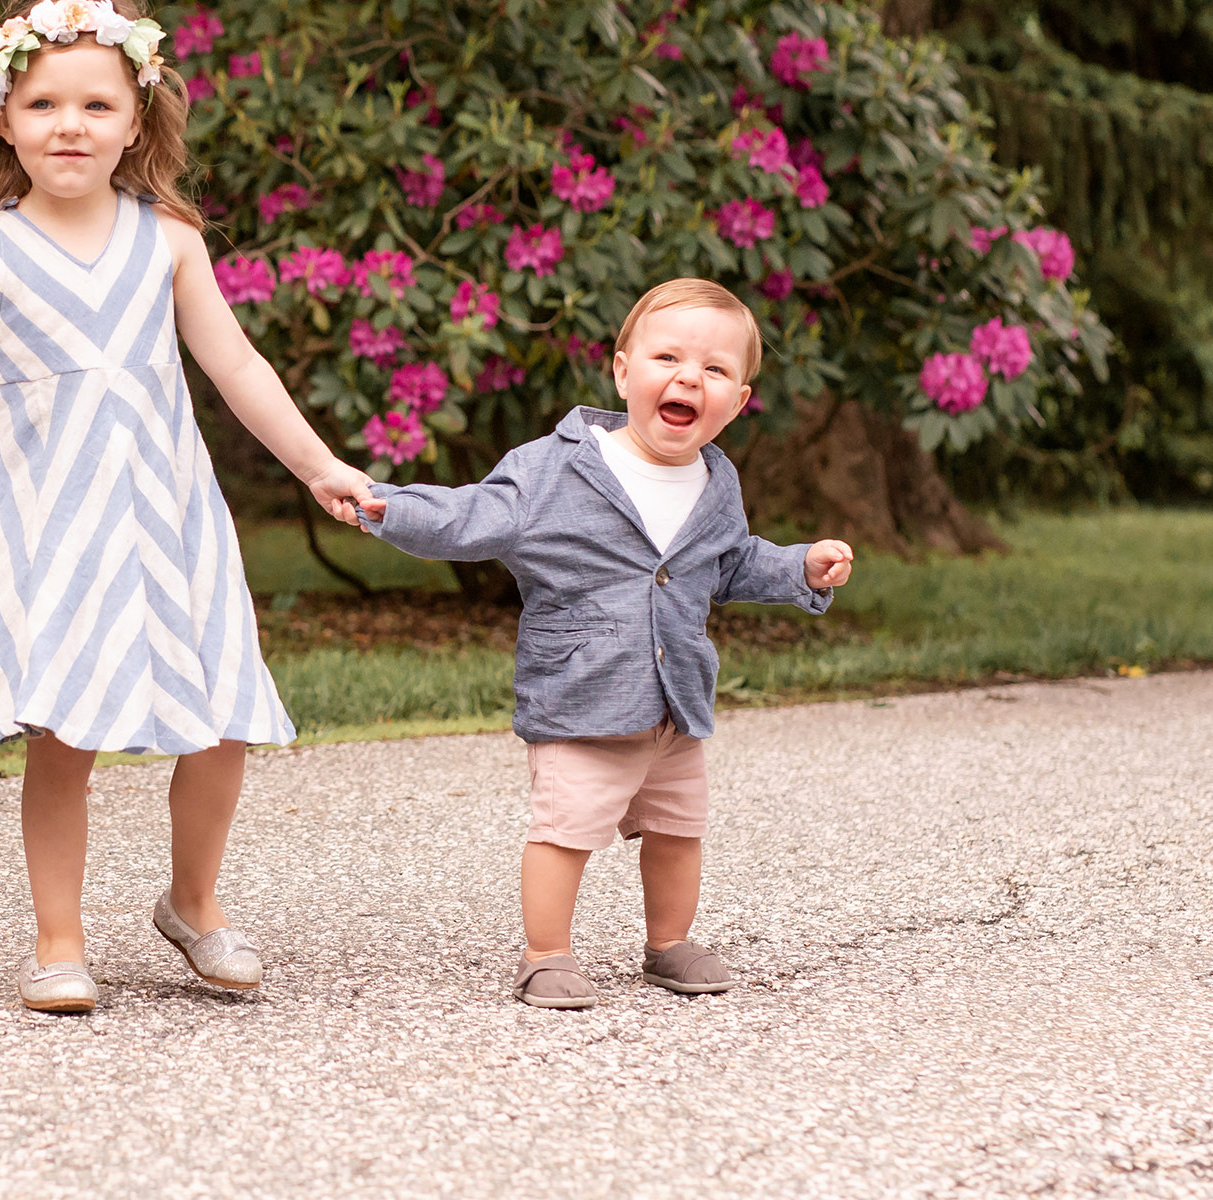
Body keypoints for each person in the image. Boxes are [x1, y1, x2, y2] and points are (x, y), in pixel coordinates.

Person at [0, 0, 376, 1014]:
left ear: (135, 117)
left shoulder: (167, 240)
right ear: (0, 117)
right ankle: (59, 940)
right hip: (45, 527)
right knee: (61, 735)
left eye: (95, 104)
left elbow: (236, 365)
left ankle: (194, 905)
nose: (69, 124)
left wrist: (317, 464)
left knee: (219, 725)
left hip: (167, 518)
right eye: (43, 104)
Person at [360, 278, 856, 1008]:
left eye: (717, 370)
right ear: (623, 370)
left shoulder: (716, 481)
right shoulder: (556, 468)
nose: (690, 377)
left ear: (739, 401)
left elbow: (730, 563)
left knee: (679, 829)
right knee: (566, 830)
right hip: (582, 692)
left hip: (674, 701)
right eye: (667, 358)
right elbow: (472, 516)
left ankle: (668, 943)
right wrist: (390, 506)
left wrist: (799, 564)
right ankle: (546, 954)